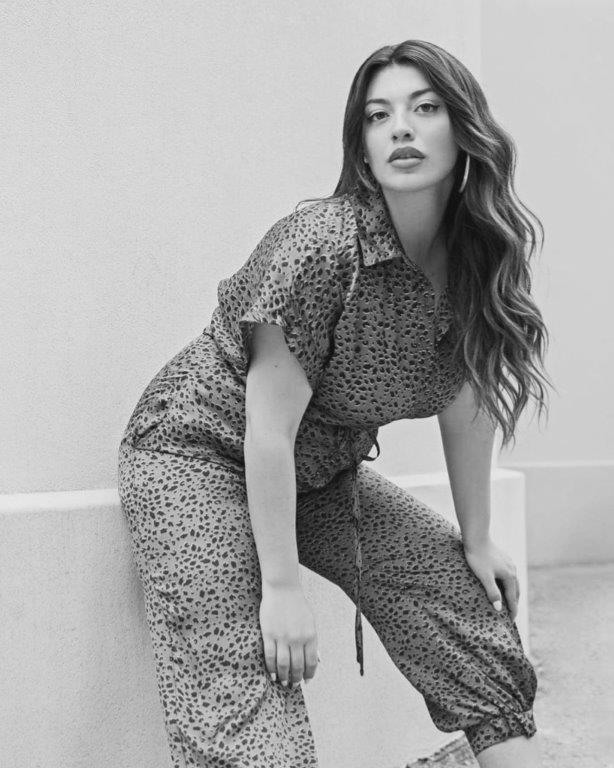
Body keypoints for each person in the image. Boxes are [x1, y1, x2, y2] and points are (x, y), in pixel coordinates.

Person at [117, 39, 552, 768]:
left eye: (424, 108)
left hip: (317, 471)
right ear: (362, 145)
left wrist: (477, 538)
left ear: (464, 127)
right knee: (246, 680)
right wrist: (282, 585)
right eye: (379, 116)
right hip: (196, 454)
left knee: (460, 599)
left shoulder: (478, 256)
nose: (401, 128)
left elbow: (467, 401)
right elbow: (266, 431)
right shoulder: (321, 245)